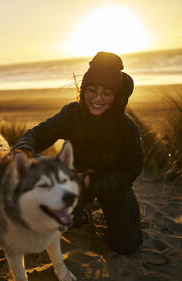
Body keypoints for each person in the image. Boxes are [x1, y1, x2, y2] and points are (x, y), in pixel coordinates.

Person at [13, 52, 144, 255]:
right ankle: (82, 209)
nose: (98, 98)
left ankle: (119, 212)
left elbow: (133, 167)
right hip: (75, 181)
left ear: (116, 96)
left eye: (107, 93)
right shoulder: (72, 115)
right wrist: (22, 150)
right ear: (83, 90)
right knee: (65, 223)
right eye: (92, 90)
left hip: (113, 184)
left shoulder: (127, 127)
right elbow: (38, 134)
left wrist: (95, 182)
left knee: (126, 245)